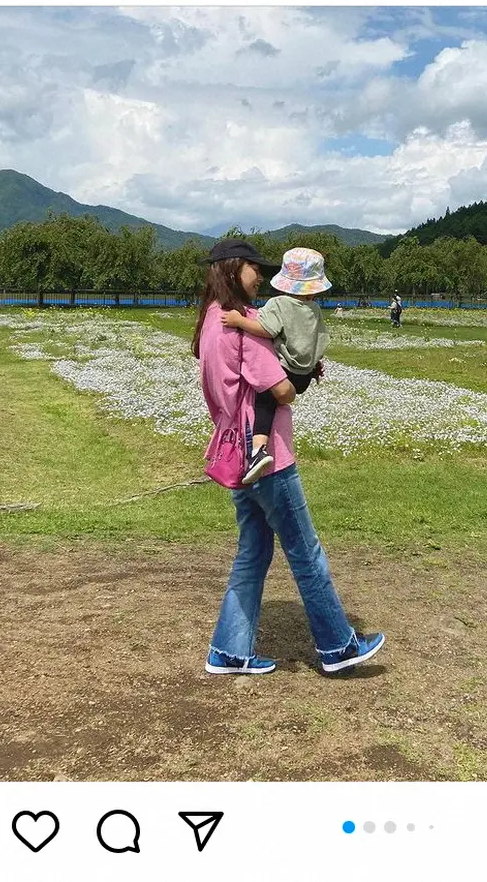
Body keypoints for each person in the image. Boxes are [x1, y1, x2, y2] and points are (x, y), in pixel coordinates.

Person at [192, 237, 385, 675]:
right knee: (305, 551)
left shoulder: (208, 321)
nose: (260, 276)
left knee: (254, 552)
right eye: (254, 268)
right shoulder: (244, 324)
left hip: (234, 452)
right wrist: (294, 378)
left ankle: (230, 650)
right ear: (233, 269)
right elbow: (279, 390)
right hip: (269, 457)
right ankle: (339, 646)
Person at [219, 247, 330, 484]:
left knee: (264, 402)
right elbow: (316, 340)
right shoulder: (315, 309)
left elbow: (266, 329)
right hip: (304, 375)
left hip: (286, 372)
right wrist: (314, 366)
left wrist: (239, 321)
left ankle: (258, 450)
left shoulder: (279, 304)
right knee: (276, 398)